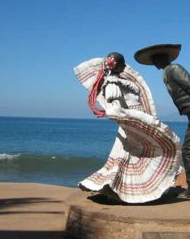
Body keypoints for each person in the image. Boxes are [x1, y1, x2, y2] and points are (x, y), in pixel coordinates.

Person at [74, 52, 181, 203]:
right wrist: (137, 119)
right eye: (123, 64)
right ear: (116, 66)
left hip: (134, 124)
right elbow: (115, 110)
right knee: (127, 160)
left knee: (128, 161)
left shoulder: (120, 81)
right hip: (130, 126)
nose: (125, 67)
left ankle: (120, 193)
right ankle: (116, 192)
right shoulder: (112, 84)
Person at [134, 44, 190, 203]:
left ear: (163, 59)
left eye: (156, 60)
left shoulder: (175, 69)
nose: (155, 64)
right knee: (187, 152)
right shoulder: (167, 74)